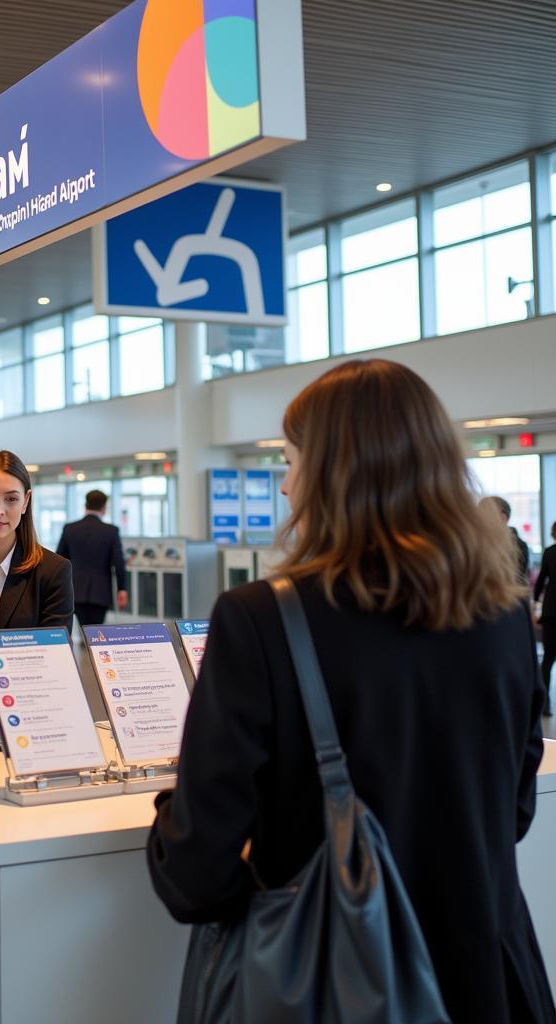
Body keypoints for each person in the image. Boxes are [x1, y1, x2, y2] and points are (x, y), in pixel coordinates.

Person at [147, 359, 554, 1024]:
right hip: (489, 979)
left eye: (290, 461)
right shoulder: (504, 612)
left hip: (335, 984)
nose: (284, 486)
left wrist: (173, 806)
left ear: (331, 473)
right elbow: (513, 812)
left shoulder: (262, 618)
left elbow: (196, 877)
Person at [0, 449, 73, 720]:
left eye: (11, 499)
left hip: (24, 715)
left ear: (26, 501)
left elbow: (52, 659)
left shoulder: (52, 571)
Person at [56, 489, 128, 628]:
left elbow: (59, 559)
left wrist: (58, 588)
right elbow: (118, 562)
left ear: (86, 505)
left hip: (75, 589)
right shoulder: (111, 531)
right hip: (101, 592)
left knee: (83, 628)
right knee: (96, 631)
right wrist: (122, 588)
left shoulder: (70, 528)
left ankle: (85, 644)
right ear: (104, 507)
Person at [534, 521, 556, 717]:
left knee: (548, 659)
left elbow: (541, 580)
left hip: (551, 612)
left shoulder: (549, 552)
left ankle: (546, 704)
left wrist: (533, 602)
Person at [483, 495, 531, 585]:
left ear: (503, 518)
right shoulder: (477, 544)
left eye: (485, 513)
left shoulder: (518, 546)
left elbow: (516, 582)